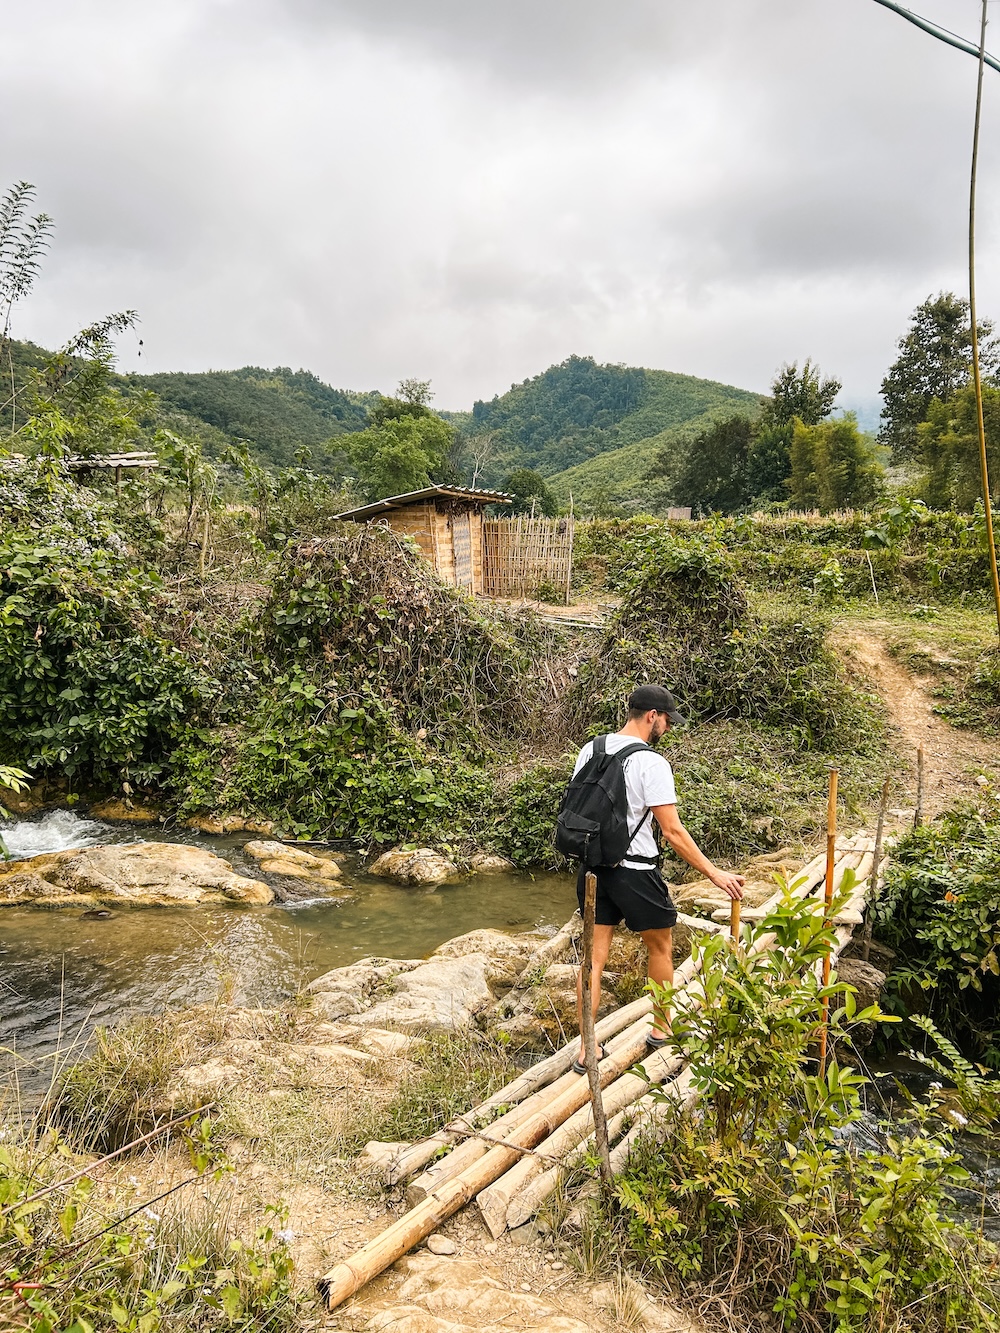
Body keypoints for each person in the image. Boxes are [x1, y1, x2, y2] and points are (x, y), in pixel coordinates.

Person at [572, 683, 744, 1073]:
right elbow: (673, 831)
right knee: (661, 947)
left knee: (593, 962)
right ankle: (663, 1028)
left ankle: (587, 1048)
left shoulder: (592, 749)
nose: (666, 728)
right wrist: (714, 874)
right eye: (666, 720)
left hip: (593, 869)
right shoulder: (652, 763)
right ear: (652, 716)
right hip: (635, 871)